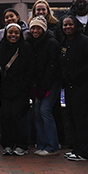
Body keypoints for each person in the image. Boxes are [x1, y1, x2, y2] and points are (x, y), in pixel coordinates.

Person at [59, 16, 88, 162]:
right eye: (65, 25)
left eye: (71, 24)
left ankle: (85, 152)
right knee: (72, 118)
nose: (68, 27)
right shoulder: (65, 43)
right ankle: (77, 149)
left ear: (76, 26)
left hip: (84, 87)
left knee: (82, 119)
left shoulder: (86, 41)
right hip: (70, 87)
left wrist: (78, 74)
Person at [0, 23, 33, 156]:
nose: (13, 35)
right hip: (5, 89)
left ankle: (22, 145)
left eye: (16, 33)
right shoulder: (0, 48)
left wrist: (25, 86)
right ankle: (7, 145)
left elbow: (29, 69)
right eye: (10, 32)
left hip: (21, 89)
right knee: (5, 116)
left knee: (18, 116)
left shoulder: (26, 48)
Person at [26, 18, 59, 156]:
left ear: (44, 29)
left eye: (38, 28)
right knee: (37, 112)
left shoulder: (52, 43)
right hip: (38, 85)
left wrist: (44, 86)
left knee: (45, 111)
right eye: (33, 28)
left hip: (51, 83)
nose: (35, 31)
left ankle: (52, 146)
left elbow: (53, 66)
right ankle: (41, 144)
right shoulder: (30, 43)